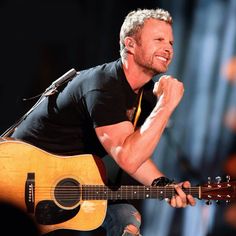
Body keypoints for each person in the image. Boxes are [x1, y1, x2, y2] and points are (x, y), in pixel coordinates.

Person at [8, 8, 196, 236]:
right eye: (159, 40)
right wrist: (166, 104)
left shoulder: (145, 97)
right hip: (19, 178)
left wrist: (165, 186)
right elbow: (128, 157)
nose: (168, 48)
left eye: (171, 42)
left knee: (127, 218)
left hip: (65, 187)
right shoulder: (104, 85)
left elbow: (134, 153)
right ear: (131, 44)